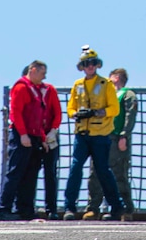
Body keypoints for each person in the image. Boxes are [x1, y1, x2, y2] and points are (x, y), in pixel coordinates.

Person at [63, 46, 124, 221]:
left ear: (97, 65)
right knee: (75, 169)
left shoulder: (105, 84)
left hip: (100, 135)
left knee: (103, 171)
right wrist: (75, 114)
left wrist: (97, 113)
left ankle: (116, 208)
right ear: (82, 66)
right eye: (86, 63)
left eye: (92, 63)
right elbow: (70, 107)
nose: (89, 66)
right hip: (82, 134)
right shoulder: (78, 85)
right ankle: (69, 207)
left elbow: (114, 108)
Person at [0, 60, 49, 221]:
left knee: (30, 174)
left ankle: (25, 208)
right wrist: (23, 134)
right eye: (42, 73)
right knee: (15, 172)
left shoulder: (36, 90)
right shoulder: (21, 87)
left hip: (34, 136)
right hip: (22, 136)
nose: (44, 77)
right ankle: (4, 208)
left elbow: (37, 117)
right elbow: (16, 113)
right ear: (33, 70)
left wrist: (42, 138)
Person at [85, 67, 136, 220]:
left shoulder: (127, 94)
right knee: (95, 173)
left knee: (119, 174)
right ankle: (93, 208)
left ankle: (124, 209)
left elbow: (129, 116)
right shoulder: (104, 94)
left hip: (116, 138)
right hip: (100, 136)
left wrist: (124, 136)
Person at [20, 64, 62, 220]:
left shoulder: (49, 90)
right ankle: (27, 207)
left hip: (49, 136)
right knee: (30, 172)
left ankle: (51, 208)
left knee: (50, 173)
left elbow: (57, 113)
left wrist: (52, 131)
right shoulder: (26, 91)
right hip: (35, 137)